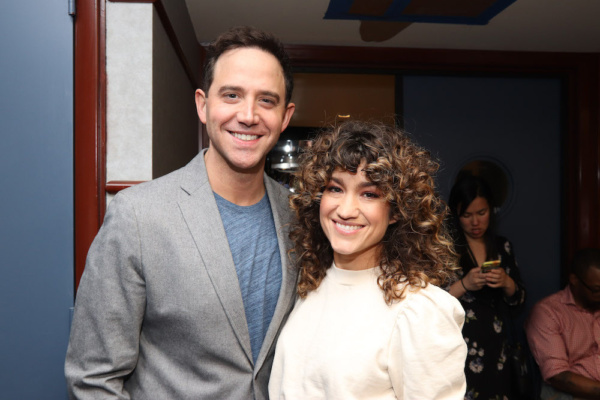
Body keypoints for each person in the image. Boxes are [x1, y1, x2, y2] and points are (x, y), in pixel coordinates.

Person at [65, 26, 297, 399]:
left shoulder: (302, 219)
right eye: (232, 95)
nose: (249, 115)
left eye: (266, 101)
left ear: (285, 117)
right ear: (203, 105)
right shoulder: (137, 216)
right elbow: (93, 378)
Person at [268, 120, 468, 399]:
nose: (346, 210)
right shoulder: (310, 282)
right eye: (335, 188)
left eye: (369, 194)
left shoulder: (417, 310)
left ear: (397, 210)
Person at [447, 175, 527, 400]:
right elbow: (429, 303)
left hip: (496, 346)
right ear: (456, 214)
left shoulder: (502, 246)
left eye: (481, 213)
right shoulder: (445, 247)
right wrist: (465, 284)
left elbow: (519, 300)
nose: (475, 222)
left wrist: (506, 282)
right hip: (456, 345)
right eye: (467, 215)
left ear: (491, 210)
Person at [525, 248, 600, 400]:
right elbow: (558, 376)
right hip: (571, 391)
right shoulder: (549, 312)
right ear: (574, 280)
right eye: (596, 290)